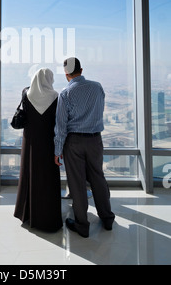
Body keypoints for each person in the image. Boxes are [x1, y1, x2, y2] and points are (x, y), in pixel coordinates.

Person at [54, 58, 115, 238]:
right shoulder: (97, 87)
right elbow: (100, 109)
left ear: (66, 75)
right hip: (95, 139)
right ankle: (107, 218)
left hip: (74, 143)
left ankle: (82, 225)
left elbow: (61, 126)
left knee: (77, 182)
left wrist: (57, 151)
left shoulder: (65, 93)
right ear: (81, 69)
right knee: (98, 178)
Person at [14, 68, 63, 232]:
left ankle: (27, 214)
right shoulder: (56, 96)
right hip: (48, 142)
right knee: (48, 178)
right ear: (49, 79)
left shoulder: (26, 93)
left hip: (30, 142)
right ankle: (48, 217)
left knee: (29, 175)